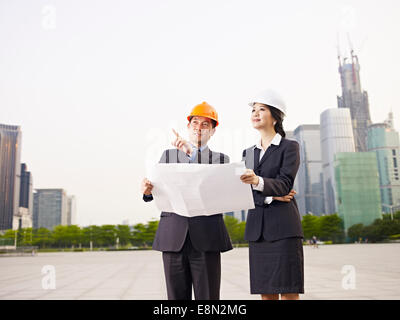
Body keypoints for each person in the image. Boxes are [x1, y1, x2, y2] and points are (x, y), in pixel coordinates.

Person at [141, 102, 232, 300]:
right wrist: (147, 191)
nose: (199, 128)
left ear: (213, 131)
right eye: (195, 123)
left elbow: (215, 193)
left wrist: (191, 153)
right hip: (174, 236)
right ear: (188, 127)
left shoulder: (220, 160)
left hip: (206, 238)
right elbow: (158, 191)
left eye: (205, 124)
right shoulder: (168, 156)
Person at [240, 89, 304, 300]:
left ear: (276, 117)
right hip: (258, 230)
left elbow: (285, 184)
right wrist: (270, 195)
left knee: (288, 291)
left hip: (283, 228)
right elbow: (244, 192)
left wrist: (258, 182)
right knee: (266, 293)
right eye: (253, 110)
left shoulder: (290, 147)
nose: (255, 113)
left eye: (262, 109)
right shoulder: (248, 153)